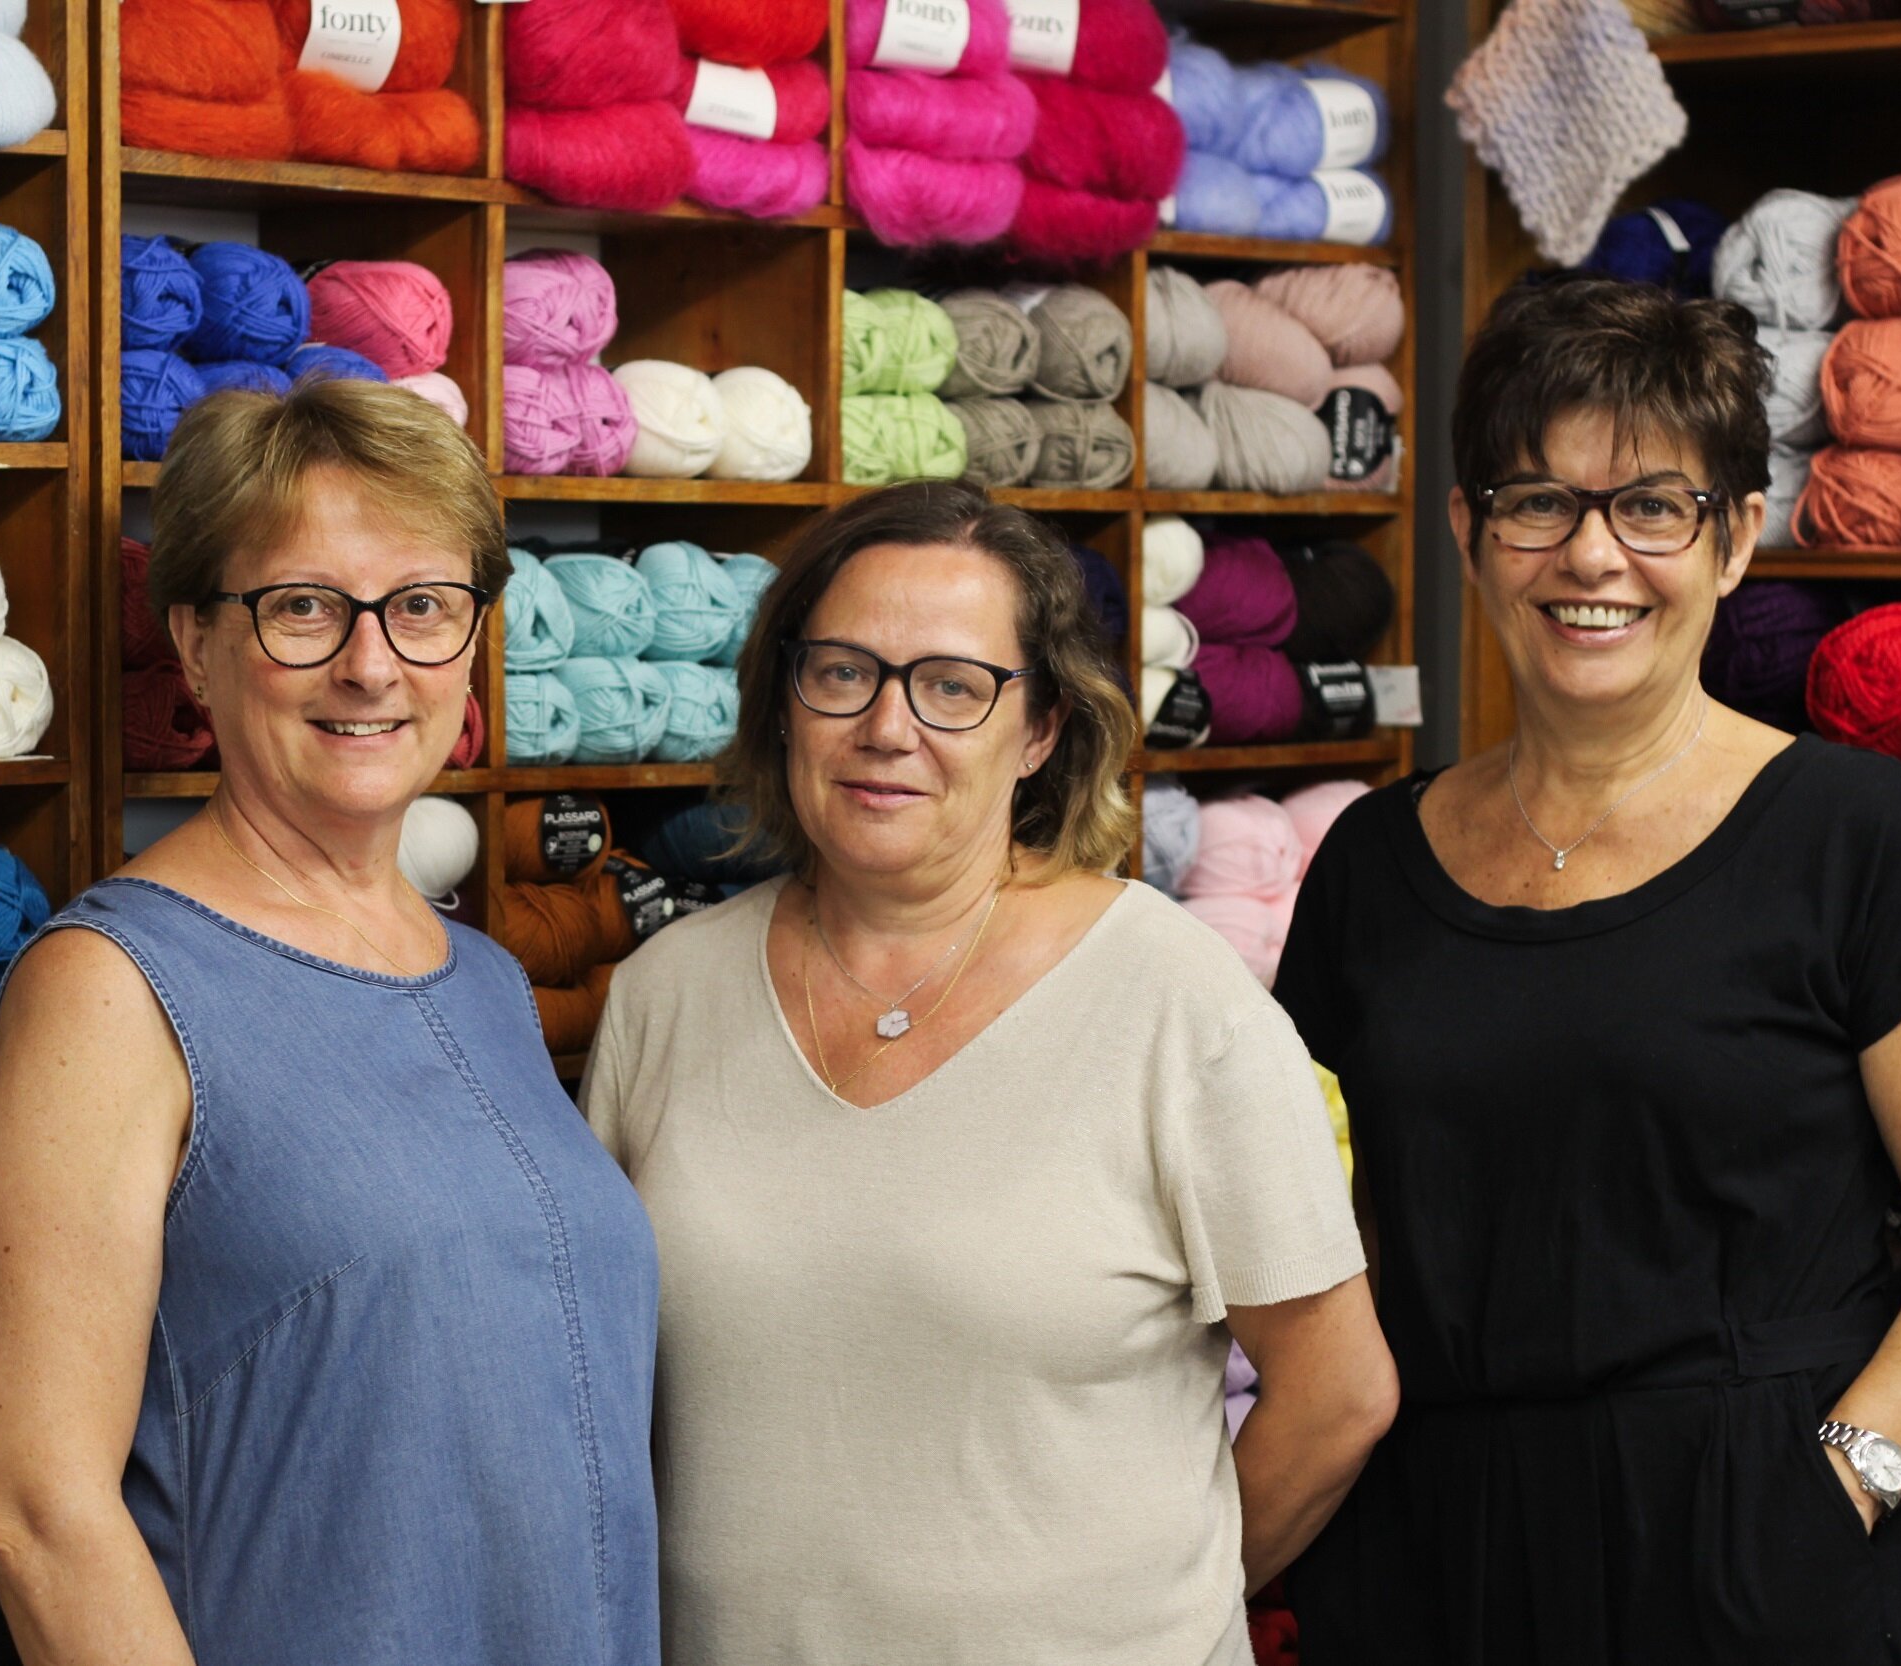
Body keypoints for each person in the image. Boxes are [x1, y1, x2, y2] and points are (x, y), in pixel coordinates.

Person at [1275, 278, 1901, 1665]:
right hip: (1440, 1546)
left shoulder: (1851, 835)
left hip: (1764, 1537)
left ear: (1737, 537)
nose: (1592, 556)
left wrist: (1844, 1478)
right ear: (1466, 529)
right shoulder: (1370, 865)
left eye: (1652, 505)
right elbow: (1343, 1236)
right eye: (1538, 502)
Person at [582, 480, 1396, 1665]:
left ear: (1041, 730)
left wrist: (1161, 1618)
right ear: (784, 696)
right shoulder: (667, 994)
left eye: (954, 686)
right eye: (842, 670)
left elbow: (1338, 1395)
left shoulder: (1175, 999)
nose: (887, 727)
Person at [0, 380, 659, 1665]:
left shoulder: (487, 981)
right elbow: (36, 1513)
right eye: (302, 608)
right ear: (195, 642)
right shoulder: (113, 986)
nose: (371, 662)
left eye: (423, 607)